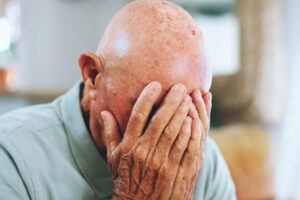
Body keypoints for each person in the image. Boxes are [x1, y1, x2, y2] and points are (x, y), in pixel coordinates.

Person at [0, 0, 236, 199]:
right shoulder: (11, 155)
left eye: (188, 110)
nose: (170, 132)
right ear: (93, 75)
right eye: (151, 108)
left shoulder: (205, 161)